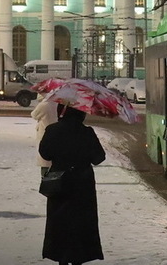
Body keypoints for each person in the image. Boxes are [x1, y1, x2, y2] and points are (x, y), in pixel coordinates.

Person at [39, 104, 105, 265]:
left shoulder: (53, 130)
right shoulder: (86, 132)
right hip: (82, 184)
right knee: (81, 222)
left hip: (59, 183)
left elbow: (44, 153)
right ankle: (79, 256)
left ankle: (60, 255)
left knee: (59, 221)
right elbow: (98, 157)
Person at [30, 96, 58, 177]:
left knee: (45, 159)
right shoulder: (57, 104)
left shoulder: (43, 105)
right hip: (56, 132)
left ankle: (45, 180)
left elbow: (34, 115)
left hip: (44, 132)